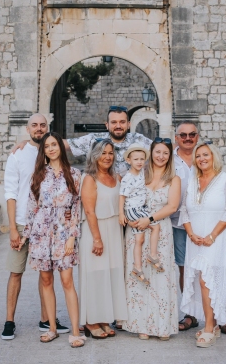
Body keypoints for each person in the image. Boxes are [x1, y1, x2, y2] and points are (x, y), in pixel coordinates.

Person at [2, 114, 69, 340]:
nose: (39, 129)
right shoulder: (17, 155)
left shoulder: (52, 150)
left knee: (46, 274)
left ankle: (46, 320)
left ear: (47, 128)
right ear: (27, 128)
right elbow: (10, 193)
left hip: (48, 226)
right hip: (22, 222)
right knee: (15, 272)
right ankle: (9, 321)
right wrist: (12, 227)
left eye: (42, 125)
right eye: (34, 125)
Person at [20, 132, 86, 347]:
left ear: (60, 147)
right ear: (44, 150)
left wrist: (72, 237)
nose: (51, 148)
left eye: (54, 144)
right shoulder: (38, 175)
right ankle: (52, 328)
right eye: (47, 146)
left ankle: (75, 332)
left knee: (67, 280)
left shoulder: (74, 174)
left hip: (63, 233)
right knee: (46, 281)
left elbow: (76, 208)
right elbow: (32, 207)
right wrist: (26, 235)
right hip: (41, 234)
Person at [178, 141, 226, 348]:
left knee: (208, 280)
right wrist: (191, 233)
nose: (202, 159)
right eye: (198, 156)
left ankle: (209, 327)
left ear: (214, 157)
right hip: (194, 238)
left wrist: (212, 236)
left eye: (205, 155)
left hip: (215, 239)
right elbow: (184, 211)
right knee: (199, 280)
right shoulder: (193, 180)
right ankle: (211, 325)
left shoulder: (225, 179)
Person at [122, 137, 181, 340]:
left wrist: (150, 218)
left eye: (165, 153)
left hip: (160, 229)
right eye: (157, 152)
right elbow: (126, 196)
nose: (161, 156)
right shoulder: (139, 174)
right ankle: (141, 325)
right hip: (137, 227)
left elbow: (172, 206)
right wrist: (129, 217)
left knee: (159, 277)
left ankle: (162, 325)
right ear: (151, 153)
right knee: (139, 276)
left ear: (170, 155)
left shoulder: (174, 178)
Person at [12, 106, 152, 177]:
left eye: (122, 122)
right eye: (114, 122)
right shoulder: (94, 140)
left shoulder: (139, 139)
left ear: (128, 124)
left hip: (133, 200)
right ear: (107, 125)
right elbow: (61, 144)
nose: (118, 126)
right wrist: (31, 141)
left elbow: (164, 149)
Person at [79, 139, 128, 339]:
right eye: (103, 153)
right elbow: (89, 211)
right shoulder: (89, 179)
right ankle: (91, 321)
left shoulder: (117, 177)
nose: (107, 157)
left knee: (111, 273)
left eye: (110, 153)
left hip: (114, 229)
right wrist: (97, 239)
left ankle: (105, 318)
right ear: (95, 156)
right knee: (95, 274)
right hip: (96, 230)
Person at [119, 143, 163, 286]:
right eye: (136, 159)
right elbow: (122, 196)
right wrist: (121, 214)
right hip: (134, 209)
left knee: (140, 239)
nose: (139, 162)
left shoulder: (142, 174)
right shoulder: (128, 177)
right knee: (155, 227)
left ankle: (137, 268)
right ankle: (153, 255)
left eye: (142, 159)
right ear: (128, 161)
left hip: (138, 207)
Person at [171, 121, 199, 331]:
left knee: (206, 268)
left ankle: (215, 313)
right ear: (176, 137)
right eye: (183, 135)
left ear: (197, 136)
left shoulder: (204, 156)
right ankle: (190, 314)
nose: (188, 138)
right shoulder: (169, 160)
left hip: (202, 222)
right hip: (177, 222)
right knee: (183, 267)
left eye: (192, 134)